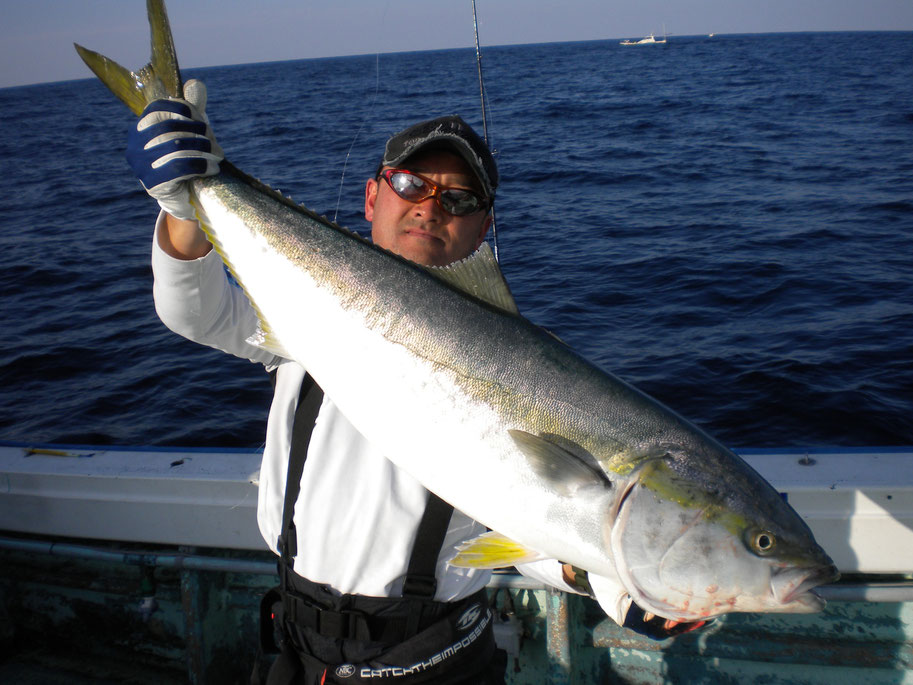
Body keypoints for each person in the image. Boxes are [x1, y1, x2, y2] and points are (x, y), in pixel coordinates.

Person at [127, 80, 705, 685]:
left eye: (459, 200)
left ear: (484, 227)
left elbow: (533, 519)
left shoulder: (535, 375)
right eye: (411, 185)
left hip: (436, 662)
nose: (430, 206)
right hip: (297, 653)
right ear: (372, 197)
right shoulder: (305, 315)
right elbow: (195, 312)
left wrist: (622, 589)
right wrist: (182, 206)